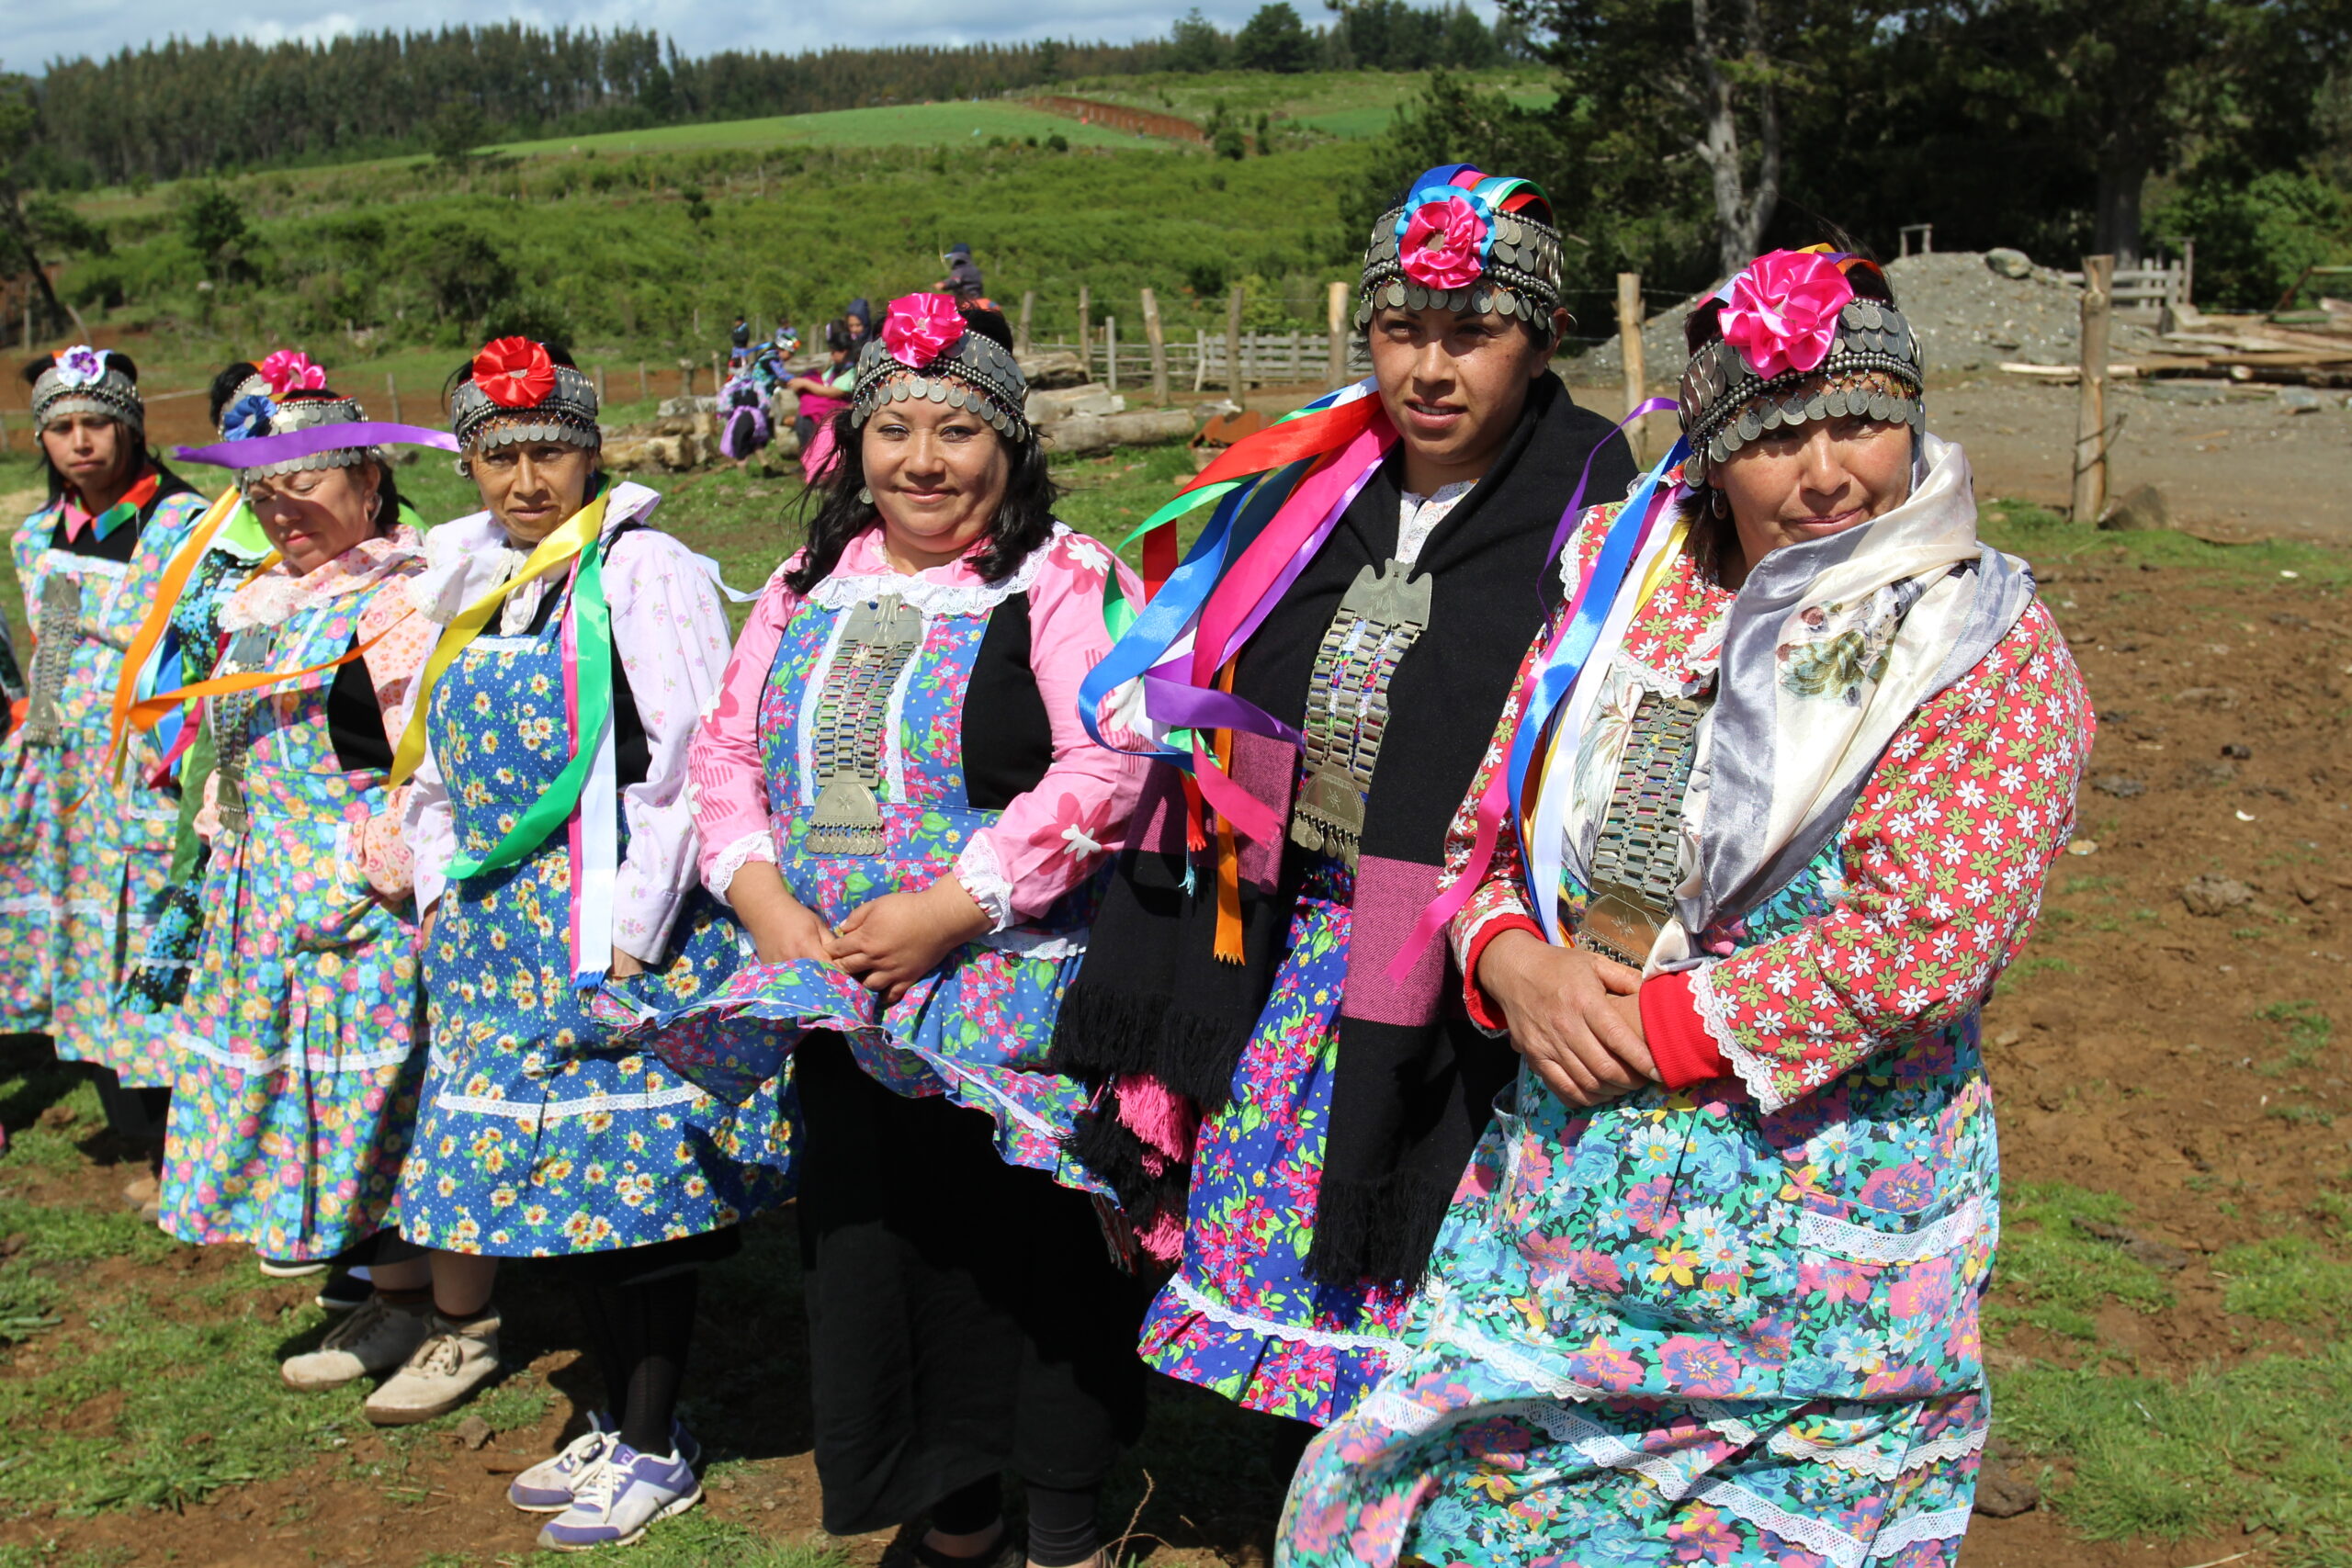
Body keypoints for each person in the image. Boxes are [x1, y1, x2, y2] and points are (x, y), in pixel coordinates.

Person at [1276, 248, 2094, 1568]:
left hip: (1815, 1238)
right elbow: (1490, 816)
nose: (1827, 471)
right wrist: (1510, 962)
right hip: (1565, 1195)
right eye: (1775, 435)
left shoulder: (1980, 641)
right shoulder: (1627, 583)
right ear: (1712, 447)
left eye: (1862, 421)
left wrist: (1656, 1024)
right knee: (1499, 1519)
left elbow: (1921, 942)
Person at [1049, 166, 1636, 1431]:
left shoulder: (1591, 510)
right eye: (1401, 330)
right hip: (1288, 929)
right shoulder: (1316, 492)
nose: (1431, 367)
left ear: (1540, 342)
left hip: (1465, 961)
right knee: (1284, 1262)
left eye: (1471, 333)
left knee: (1430, 1293)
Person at [634, 293, 1151, 1568]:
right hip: (840, 993)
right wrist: (764, 901)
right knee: (887, 1258)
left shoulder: (1061, 579)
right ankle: (955, 1509)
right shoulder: (811, 581)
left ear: (1012, 445)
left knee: (1031, 1265)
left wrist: (951, 906)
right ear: (854, 441)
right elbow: (727, 748)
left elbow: (1114, 761)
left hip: (1009, 997)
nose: (923, 461)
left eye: (959, 431)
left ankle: (1068, 1529)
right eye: (894, 428)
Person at [365, 337, 793, 1545]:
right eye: (497, 454)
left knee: (633, 1193)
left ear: (591, 447)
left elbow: (692, 760)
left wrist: (623, 933)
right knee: (562, 1194)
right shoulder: (468, 569)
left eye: (548, 448)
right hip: (502, 931)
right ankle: (616, 1413)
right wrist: (445, 887)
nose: (524, 478)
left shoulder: (641, 568)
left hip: (619, 926)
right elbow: (435, 750)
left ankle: (657, 1438)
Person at [153, 383, 441, 1291]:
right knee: (331, 1118)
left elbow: (428, 763)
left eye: (301, 485)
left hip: (355, 923)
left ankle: (443, 1317)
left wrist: (362, 871)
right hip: (263, 910)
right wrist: (218, 846)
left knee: (379, 1107)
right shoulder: (261, 602)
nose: (280, 511)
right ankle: (388, 1297)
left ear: (367, 483)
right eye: (261, 495)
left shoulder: (398, 602)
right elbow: (229, 748)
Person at [2, 346, 212, 1174]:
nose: (80, 441)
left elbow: (193, 653)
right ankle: (129, 1116)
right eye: (62, 428)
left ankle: (181, 1128)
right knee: (87, 936)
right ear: (43, 440)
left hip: (153, 762)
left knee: (155, 927)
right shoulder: (33, 538)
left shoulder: (184, 525)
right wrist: (36, 743)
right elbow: (50, 649)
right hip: (69, 772)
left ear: (130, 428)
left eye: (96, 423)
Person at [785, 321, 856, 484]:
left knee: (820, 428)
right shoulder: (835, 369)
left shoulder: (852, 372)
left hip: (838, 409)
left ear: (844, 351)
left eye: (834, 353)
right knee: (804, 420)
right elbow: (824, 383)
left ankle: (822, 469)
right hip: (824, 409)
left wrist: (805, 383)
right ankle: (810, 464)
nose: (831, 357)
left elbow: (833, 391)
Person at [934, 243, 988, 307]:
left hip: (967, 305)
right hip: (978, 302)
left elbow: (956, 280)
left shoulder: (960, 270)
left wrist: (944, 284)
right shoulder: (975, 270)